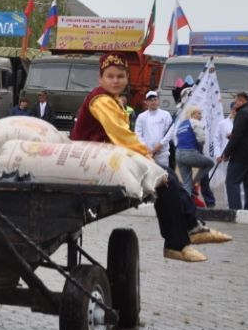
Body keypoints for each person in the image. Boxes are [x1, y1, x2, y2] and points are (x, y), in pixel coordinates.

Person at [70, 53, 229, 262]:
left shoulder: (113, 99)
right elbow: (121, 134)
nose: (115, 80)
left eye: (120, 76)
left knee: (169, 177)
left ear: (127, 78)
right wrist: (146, 155)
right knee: (164, 180)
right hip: (93, 160)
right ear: (101, 79)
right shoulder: (100, 100)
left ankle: (190, 229)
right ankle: (181, 238)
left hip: (108, 155)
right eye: (110, 76)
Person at [217, 91, 248, 211]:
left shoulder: (242, 113)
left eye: (236, 101)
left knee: (232, 182)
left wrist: (226, 153)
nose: (235, 103)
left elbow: (236, 136)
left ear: (242, 100)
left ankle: (234, 210)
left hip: (240, 155)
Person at [174, 105, 216, 201]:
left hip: (178, 154)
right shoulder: (195, 122)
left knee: (186, 184)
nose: (201, 116)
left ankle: (184, 206)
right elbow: (201, 139)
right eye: (199, 113)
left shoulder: (181, 124)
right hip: (189, 152)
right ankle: (194, 182)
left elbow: (177, 139)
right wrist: (199, 151)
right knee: (210, 163)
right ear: (193, 114)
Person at [135, 90, 174, 172]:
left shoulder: (166, 115)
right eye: (150, 100)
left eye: (155, 99)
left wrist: (161, 144)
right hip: (147, 154)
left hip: (162, 154)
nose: (153, 102)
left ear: (158, 100)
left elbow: (170, 132)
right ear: (146, 102)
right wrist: (146, 148)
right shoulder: (141, 117)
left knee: (163, 176)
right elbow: (138, 134)